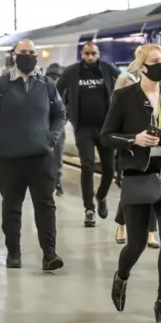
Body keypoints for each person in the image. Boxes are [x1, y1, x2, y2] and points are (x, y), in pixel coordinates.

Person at [101, 43, 161, 323]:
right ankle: (122, 275)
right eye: (154, 61)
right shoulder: (124, 97)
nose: (160, 65)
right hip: (138, 177)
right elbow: (106, 136)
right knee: (137, 244)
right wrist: (134, 140)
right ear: (142, 66)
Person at [0, 39, 67, 271]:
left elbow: (60, 114)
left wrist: (52, 137)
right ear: (14, 55)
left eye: (32, 53)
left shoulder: (46, 84)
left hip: (41, 157)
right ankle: (13, 252)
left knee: (46, 206)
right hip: (9, 159)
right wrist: (1, 138)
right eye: (23, 52)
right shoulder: (0, 85)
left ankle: (49, 253)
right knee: (11, 206)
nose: (28, 56)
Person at [57, 41, 121, 227]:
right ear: (82, 54)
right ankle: (89, 209)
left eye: (93, 53)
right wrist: (65, 113)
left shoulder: (107, 69)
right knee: (87, 165)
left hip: (105, 127)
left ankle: (101, 196)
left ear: (98, 53)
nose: (90, 57)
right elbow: (57, 91)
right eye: (87, 53)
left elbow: (126, 84)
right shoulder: (72, 72)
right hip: (83, 128)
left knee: (109, 169)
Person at [112, 67, 159, 249]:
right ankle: (122, 226)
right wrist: (131, 139)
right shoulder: (118, 105)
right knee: (128, 194)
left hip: (150, 151)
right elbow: (110, 134)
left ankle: (151, 233)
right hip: (127, 154)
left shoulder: (150, 102)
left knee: (154, 192)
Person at [45, 62, 66, 196]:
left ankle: (56, 181)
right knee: (52, 155)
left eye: (56, 76)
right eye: (51, 76)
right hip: (45, 126)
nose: (54, 79)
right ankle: (52, 181)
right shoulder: (41, 87)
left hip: (55, 127)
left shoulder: (64, 89)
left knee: (56, 155)